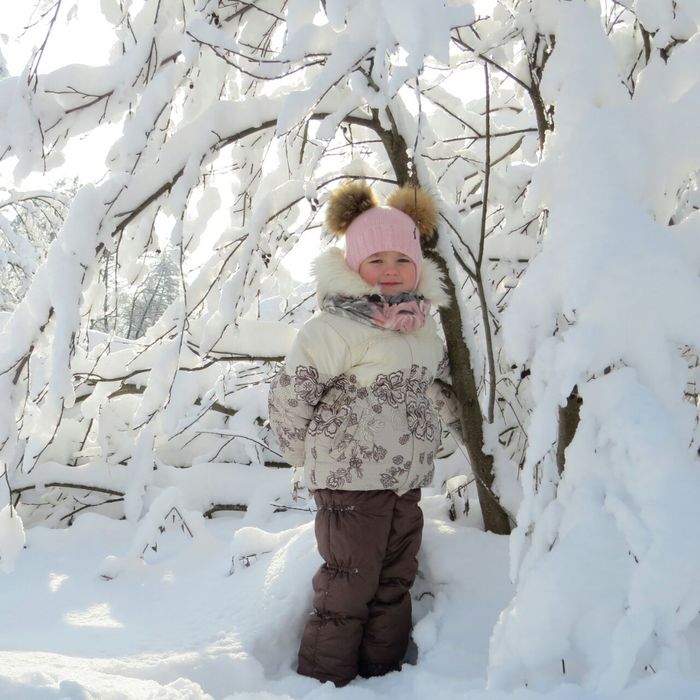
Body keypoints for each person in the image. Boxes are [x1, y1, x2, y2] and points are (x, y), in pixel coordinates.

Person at [268, 180, 453, 687]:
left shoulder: (423, 330)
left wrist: (450, 434)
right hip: (348, 483)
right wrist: (302, 453)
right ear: (353, 266)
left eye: (400, 259)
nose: (389, 270)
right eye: (376, 260)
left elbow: (437, 391)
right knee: (348, 587)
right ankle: (324, 683)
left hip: (404, 481)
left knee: (394, 584)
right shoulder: (333, 329)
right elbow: (292, 394)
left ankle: (383, 678)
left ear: (417, 266)